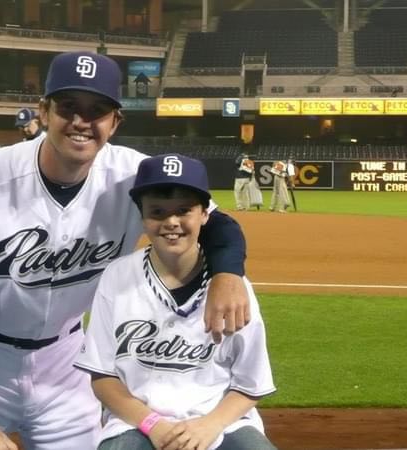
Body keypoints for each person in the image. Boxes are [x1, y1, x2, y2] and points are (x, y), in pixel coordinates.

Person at [0, 51, 251, 450]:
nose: (82, 121)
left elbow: (220, 226)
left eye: (97, 111)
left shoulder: (132, 176)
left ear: (114, 122)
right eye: (68, 107)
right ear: (44, 112)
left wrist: (227, 274)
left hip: (67, 363)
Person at [75, 154, 277, 450]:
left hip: (222, 422)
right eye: (157, 211)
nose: (171, 222)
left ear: (205, 214)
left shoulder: (233, 288)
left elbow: (250, 383)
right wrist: (153, 424)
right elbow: (103, 377)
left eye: (184, 210)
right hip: (137, 423)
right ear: (141, 216)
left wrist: (210, 425)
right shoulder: (117, 277)